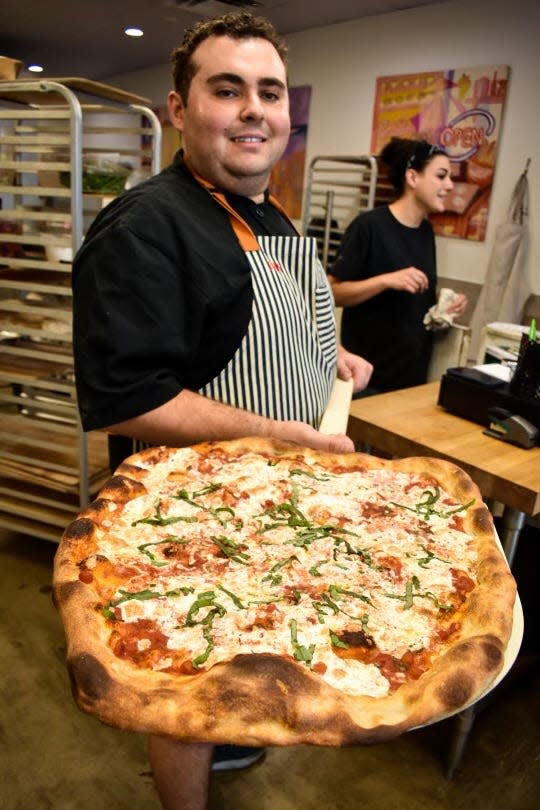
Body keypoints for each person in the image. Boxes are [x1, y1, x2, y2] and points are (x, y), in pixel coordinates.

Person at [71, 11, 373, 810]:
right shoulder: (146, 228)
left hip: (275, 511)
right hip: (190, 523)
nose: (254, 110)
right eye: (226, 89)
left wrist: (330, 357)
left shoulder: (268, 212)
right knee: (188, 689)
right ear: (179, 109)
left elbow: (282, 322)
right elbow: (126, 401)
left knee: (255, 642)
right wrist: (286, 435)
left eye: (269, 92)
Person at [328, 137, 467, 395]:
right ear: (412, 178)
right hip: (366, 381)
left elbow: (412, 294)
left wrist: (443, 304)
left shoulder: (426, 231)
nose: (450, 186)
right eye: (441, 176)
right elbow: (331, 293)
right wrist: (386, 280)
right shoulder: (369, 226)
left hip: (411, 380)